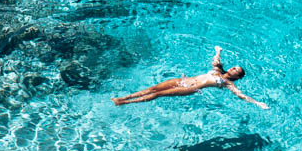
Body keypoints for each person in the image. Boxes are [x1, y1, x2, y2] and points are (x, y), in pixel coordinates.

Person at [112, 46, 269, 109]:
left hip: (191, 88)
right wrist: (218, 51)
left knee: (158, 94)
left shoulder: (227, 83)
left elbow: (240, 95)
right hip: (183, 80)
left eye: (237, 70)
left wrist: (257, 103)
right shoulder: (219, 70)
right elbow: (216, 61)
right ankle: (124, 97)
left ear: (237, 76)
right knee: (153, 88)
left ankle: (125, 102)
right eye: (235, 66)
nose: (234, 68)